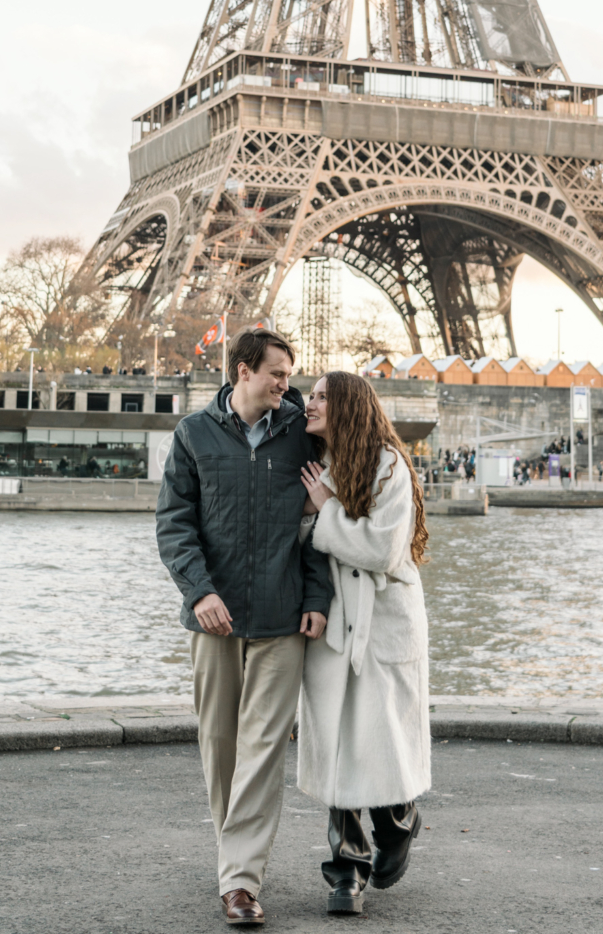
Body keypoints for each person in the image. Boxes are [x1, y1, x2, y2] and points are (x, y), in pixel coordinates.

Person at [156, 328, 332, 926]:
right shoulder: (193, 434)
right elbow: (173, 524)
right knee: (221, 748)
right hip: (215, 619)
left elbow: (316, 530)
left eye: (290, 374)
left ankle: (239, 881)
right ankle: (235, 857)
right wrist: (198, 591)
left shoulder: (300, 440)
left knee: (262, 751)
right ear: (242, 370)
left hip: (283, 618)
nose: (288, 386)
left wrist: (317, 596)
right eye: (278, 374)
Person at [297, 370, 430, 916]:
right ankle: (346, 869)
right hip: (331, 617)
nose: (311, 401)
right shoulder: (309, 464)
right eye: (311, 393)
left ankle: (398, 820)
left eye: (323, 396)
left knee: (385, 734)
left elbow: (380, 548)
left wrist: (325, 510)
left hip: (383, 622)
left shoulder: (390, 466)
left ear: (349, 405)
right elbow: (298, 538)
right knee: (337, 740)